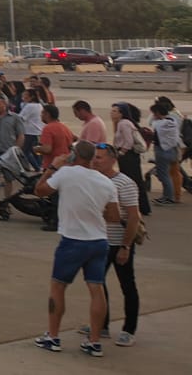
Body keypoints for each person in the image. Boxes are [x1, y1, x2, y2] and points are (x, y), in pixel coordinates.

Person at [33, 141, 120, 358]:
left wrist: (53, 167)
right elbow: (114, 216)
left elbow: (40, 191)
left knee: (58, 287)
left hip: (73, 240)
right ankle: (95, 341)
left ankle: (53, 336)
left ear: (74, 155)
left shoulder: (67, 174)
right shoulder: (106, 182)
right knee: (97, 289)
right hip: (99, 241)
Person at [89, 144, 142, 347]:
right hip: (99, 241)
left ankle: (129, 329)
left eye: (100, 158)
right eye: (94, 157)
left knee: (127, 285)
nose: (95, 161)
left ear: (112, 160)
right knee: (97, 284)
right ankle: (101, 324)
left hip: (118, 242)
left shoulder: (125, 183)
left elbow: (133, 217)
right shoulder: (94, 180)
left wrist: (125, 247)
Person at [149, 101, 184, 204]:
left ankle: (168, 197)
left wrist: (154, 115)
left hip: (162, 152)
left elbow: (152, 123)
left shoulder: (160, 124)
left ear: (158, 112)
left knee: (163, 175)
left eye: (154, 113)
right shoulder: (173, 120)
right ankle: (170, 196)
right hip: (172, 151)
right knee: (169, 174)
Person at [36, 104, 75, 170]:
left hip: (52, 166)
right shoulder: (64, 127)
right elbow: (75, 138)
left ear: (47, 114)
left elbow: (47, 149)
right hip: (65, 164)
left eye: (42, 113)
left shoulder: (48, 128)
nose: (41, 115)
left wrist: (36, 149)